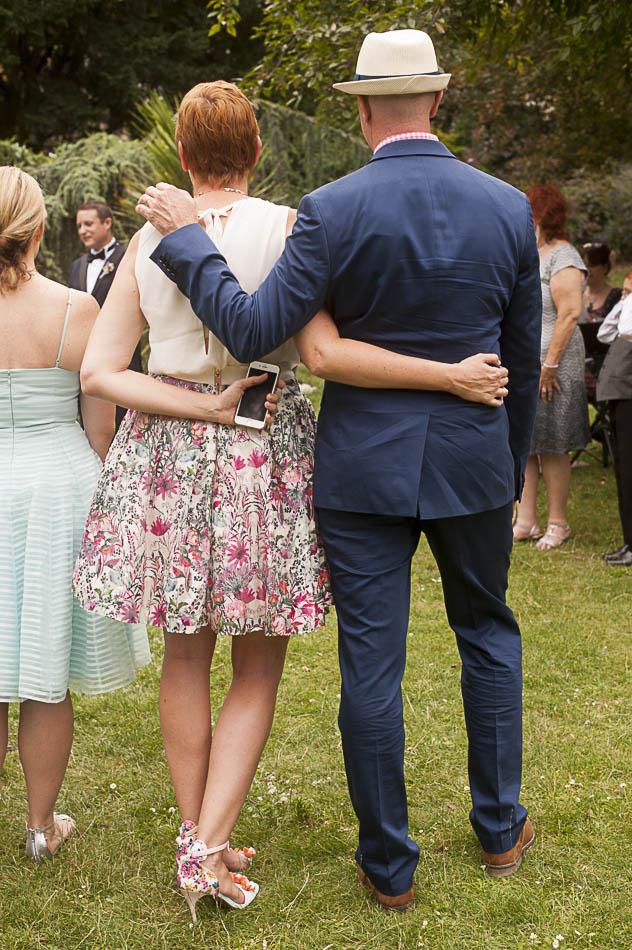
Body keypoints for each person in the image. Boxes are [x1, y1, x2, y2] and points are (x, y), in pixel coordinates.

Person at [74, 78, 511, 916]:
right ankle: (205, 845)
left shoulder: (144, 240)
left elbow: (101, 372)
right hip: (258, 449)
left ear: (181, 149)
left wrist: (191, 400)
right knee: (257, 662)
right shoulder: (294, 226)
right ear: (259, 150)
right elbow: (317, 349)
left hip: (165, 454)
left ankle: (199, 833)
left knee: (184, 653)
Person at [0, 167, 151, 862]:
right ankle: (39, 828)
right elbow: (101, 430)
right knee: (43, 668)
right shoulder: (74, 309)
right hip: (58, 488)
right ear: (38, 228)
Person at [513, 185, 589, 549]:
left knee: (554, 445)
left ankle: (558, 522)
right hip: (528, 364)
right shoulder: (534, 253)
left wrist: (551, 364)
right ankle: (525, 520)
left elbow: (571, 312)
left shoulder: (565, 255)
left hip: (555, 365)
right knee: (528, 442)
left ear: (543, 213)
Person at [69, 200, 142, 428]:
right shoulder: (77, 266)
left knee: (122, 424)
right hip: (83, 361)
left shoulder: (127, 258)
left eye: (89, 224)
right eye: (79, 225)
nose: (83, 230)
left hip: (121, 360)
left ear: (107, 223)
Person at [596, 271, 632, 565]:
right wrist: (624, 301)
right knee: (623, 471)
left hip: (629, 397)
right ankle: (628, 540)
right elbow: (604, 332)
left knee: (630, 472)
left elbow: (625, 328)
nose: (625, 295)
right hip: (621, 398)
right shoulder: (626, 312)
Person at [580, 242, 621, 398]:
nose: (587, 271)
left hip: (604, 360)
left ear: (605, 267)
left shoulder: (617, 296)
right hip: (579, 355)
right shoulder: (576, 295)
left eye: (592, 265)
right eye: (584, 265)